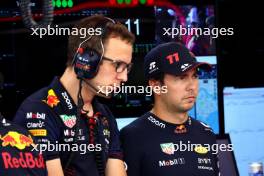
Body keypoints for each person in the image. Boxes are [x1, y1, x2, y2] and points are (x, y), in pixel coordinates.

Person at [13, 15, 135, 176]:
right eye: (118, 65)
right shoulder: (38, 111)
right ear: (86, 60)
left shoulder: (104, 115)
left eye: (127, 67)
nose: (124, 77)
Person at [120, 42, 220, 176]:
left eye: (195, 76)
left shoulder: (206, 133)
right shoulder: (131, 137)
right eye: (181, 77)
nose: (192, 86)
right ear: (156, 85)